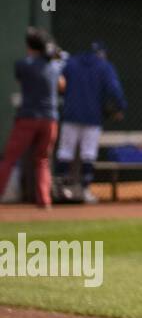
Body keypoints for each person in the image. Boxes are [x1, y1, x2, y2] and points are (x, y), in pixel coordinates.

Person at [54, 41, 126, 205]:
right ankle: (84, 190)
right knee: (88, 153)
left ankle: (60, 191)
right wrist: (120, 106)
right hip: (92, 117)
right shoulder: (104, 66)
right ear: (102, 53)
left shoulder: (71, 62)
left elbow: (59, 83)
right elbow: (114, 89)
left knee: (65, 152)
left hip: (71, 114)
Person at [0, 28, 64, 209]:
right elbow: (62, 85)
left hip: (28, 118)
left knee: (10, 158)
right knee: (42, 160)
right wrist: (54, 57)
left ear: (30, 46)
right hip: (50, 120)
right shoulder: (53, 66)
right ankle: (44, 200)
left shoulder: (24, 65)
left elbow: (21, 79)